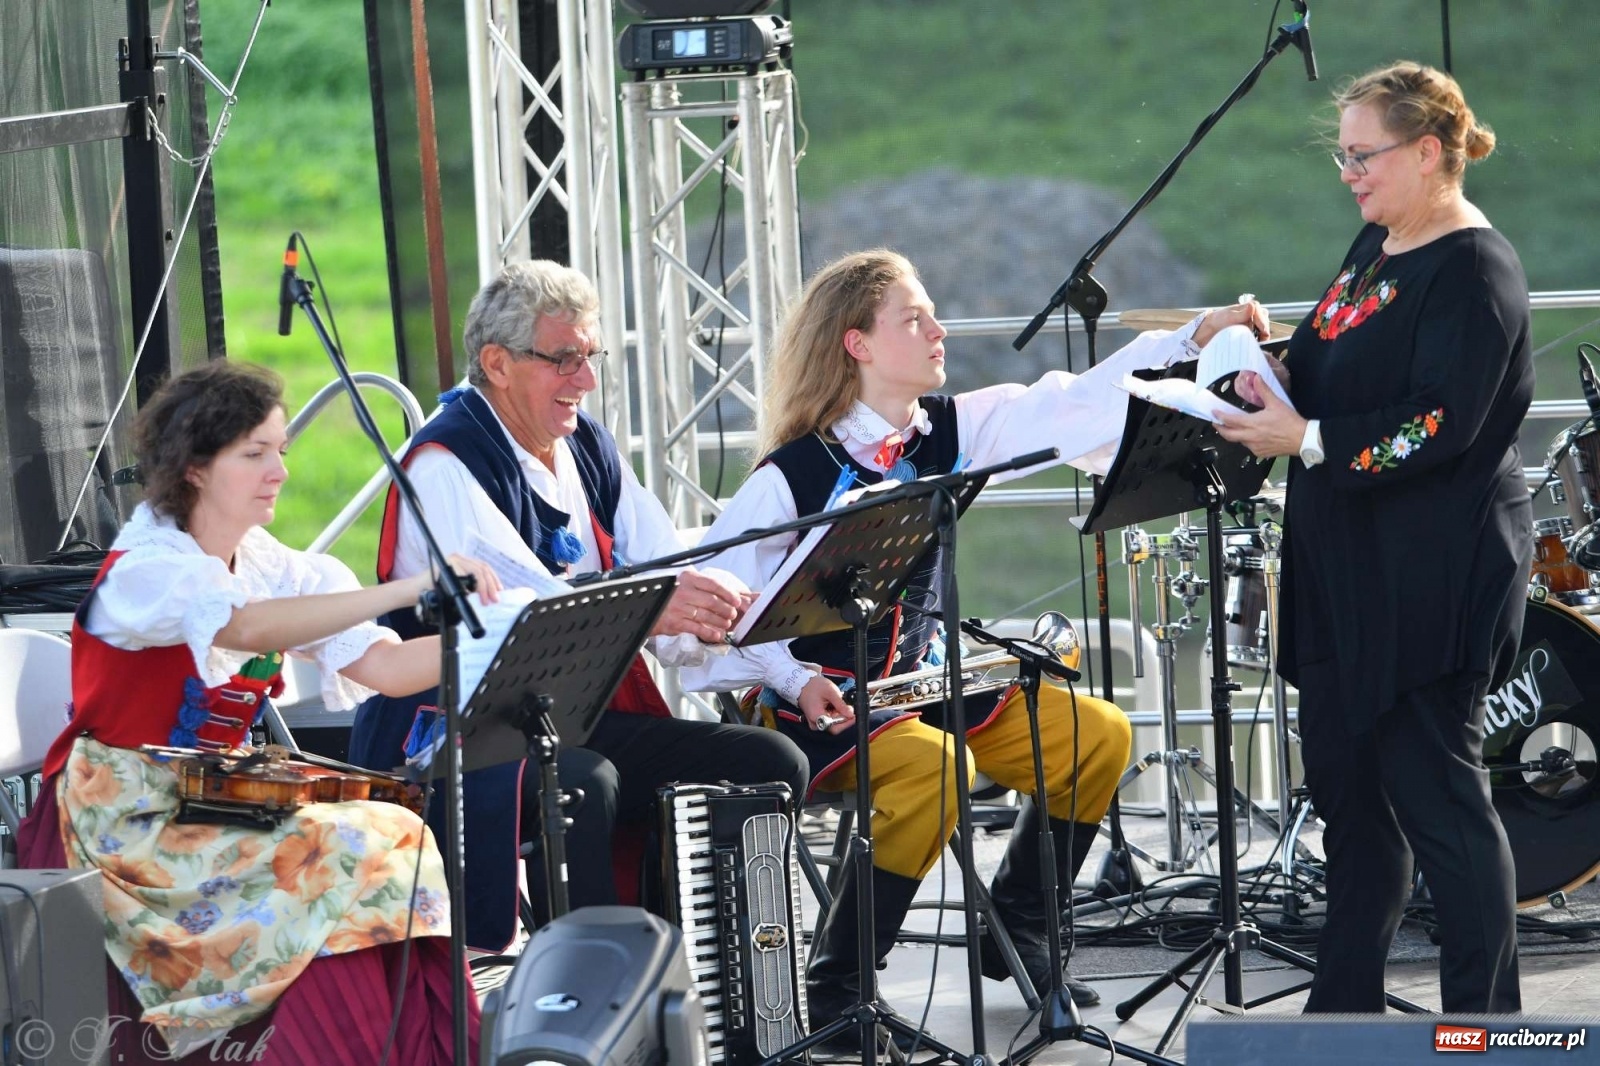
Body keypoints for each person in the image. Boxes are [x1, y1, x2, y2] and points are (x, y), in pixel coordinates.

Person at [681, 248, 1267, 1033]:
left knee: (1096, 735)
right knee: (938, 768)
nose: (939, 330)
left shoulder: (951, 431)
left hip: (919, 684)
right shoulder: (789, 477)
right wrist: (791, 679)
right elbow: (708, 621)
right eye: (913, 318)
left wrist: (1194, 338)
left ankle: (1019, 929)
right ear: (857, 344)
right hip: (817, 708)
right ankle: (837, 986)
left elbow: (1069, 404)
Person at [14, 360, 502, 1063]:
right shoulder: (148, 570)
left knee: (397, 832)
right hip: (124, 816)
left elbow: (388, 670)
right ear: (194, 468)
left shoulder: (263, 562)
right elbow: (246, 626)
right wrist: (408, 589)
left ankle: (400, 1046)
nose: (279, 472)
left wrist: (508, 638)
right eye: (255, 454)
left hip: (212, 796)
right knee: (346, 849)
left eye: (281, 450)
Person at [347, 259, 809, 951]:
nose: (585, 379)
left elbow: (667, 565)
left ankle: (718, 980)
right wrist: (655, 607)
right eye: (564, 359)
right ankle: (593, 990)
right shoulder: (446, 463)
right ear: (497, 363)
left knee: (771, 761)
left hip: (561, 717)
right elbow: (525, 615)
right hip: (457, 734)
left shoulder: (585, 443)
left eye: (590, 357)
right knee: (586, 783)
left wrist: (773, 660)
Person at [1217, 61, 1530, 1014]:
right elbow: (1337, 362)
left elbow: (1438, 421)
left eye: (1365, 155)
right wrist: (1268, 366)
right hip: (1345, 567)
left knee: (1441, 806)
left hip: (1430, 576)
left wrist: (1305, 436)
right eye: (1343, 156)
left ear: (1429, 152)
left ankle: (1485, 1028)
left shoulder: (1473, 269)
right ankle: (1342, 1015)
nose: (1349, 173)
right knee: (1350, 807)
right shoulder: (1379, 244)